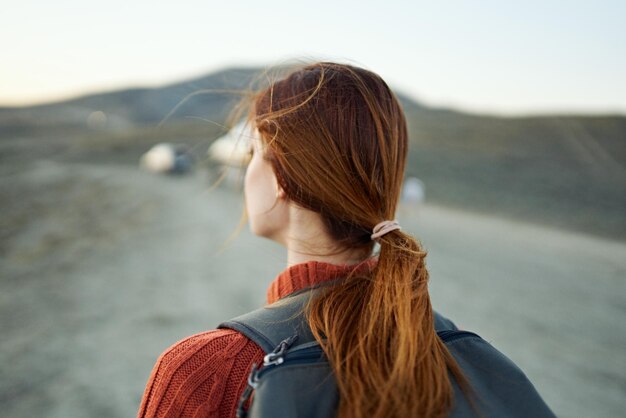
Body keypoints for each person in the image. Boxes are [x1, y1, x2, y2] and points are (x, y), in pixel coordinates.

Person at [137, 61, 552, 418]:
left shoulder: (205, 370)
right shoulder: (450, 349)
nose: (248, 173)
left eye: (254, 155)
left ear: (281, 178)